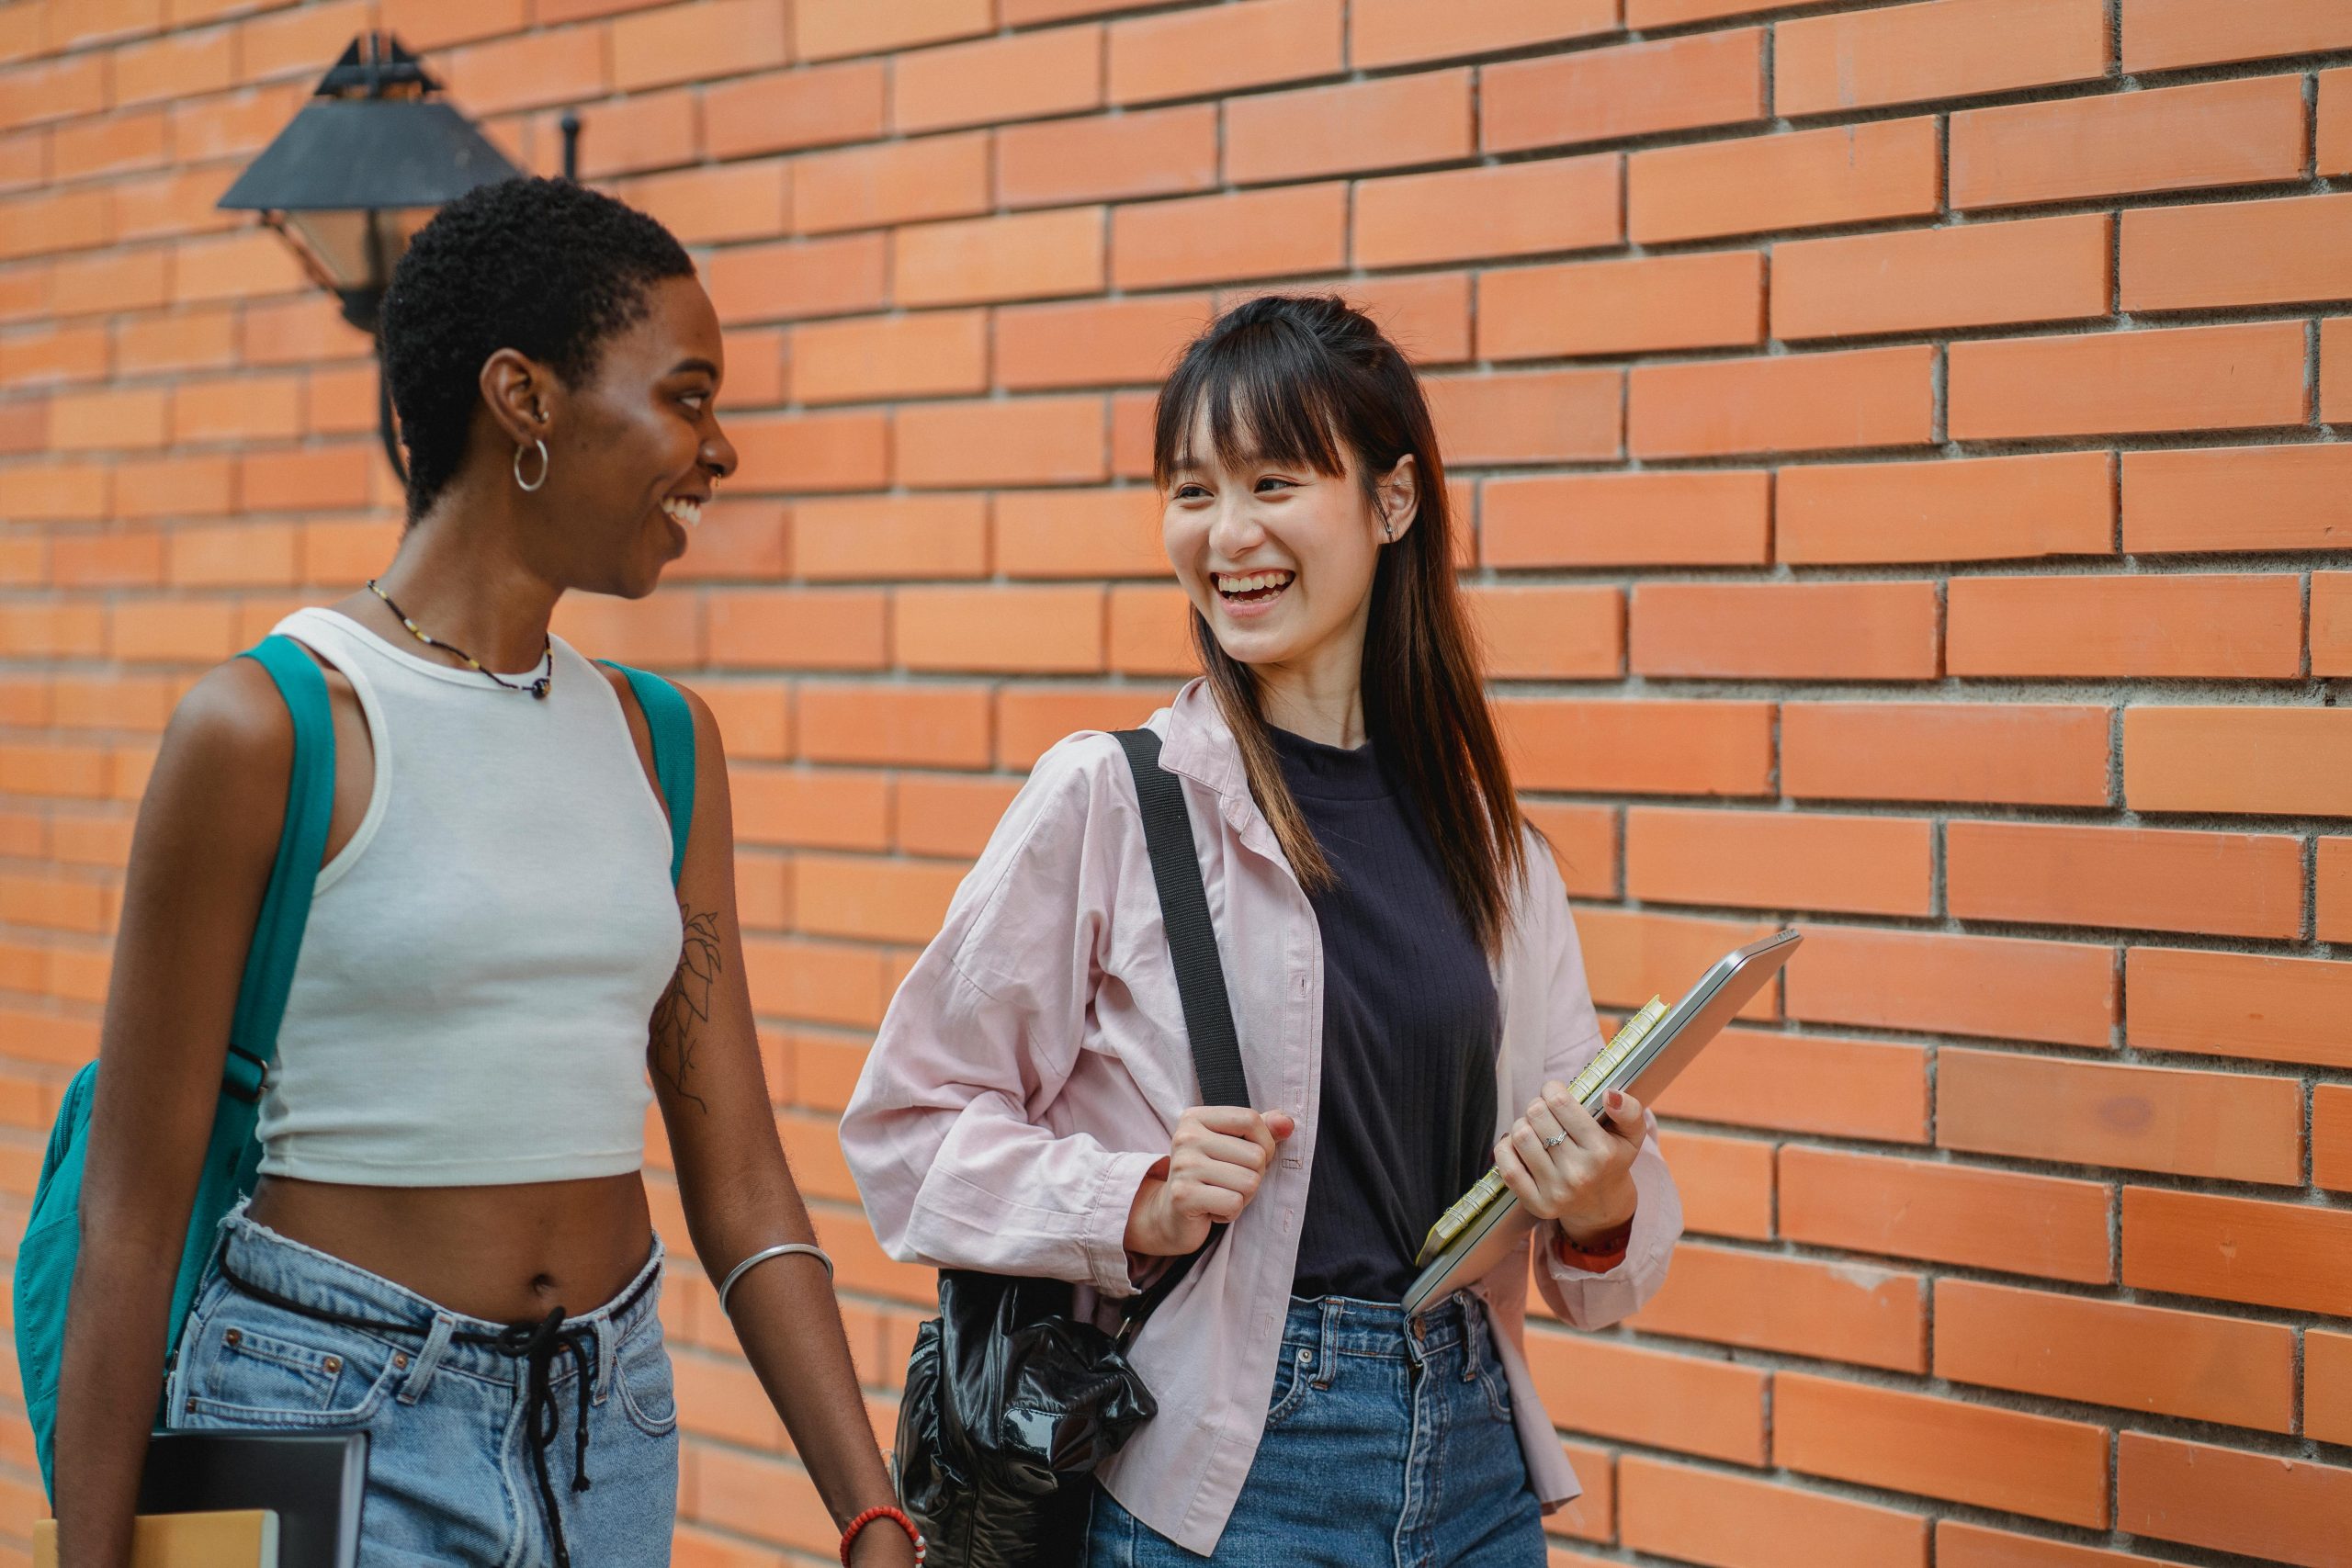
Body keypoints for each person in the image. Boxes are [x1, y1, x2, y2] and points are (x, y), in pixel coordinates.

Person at [52, 178, 919, 1568]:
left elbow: (744, 1181)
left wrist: (867, 1506)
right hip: (320, 1419)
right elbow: (129, 1212)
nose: (721, 452)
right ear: (525, 398)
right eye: (687, 398)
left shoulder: (664, 746)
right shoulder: (271, 726)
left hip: (607, 1432)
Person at [842, 294, 1682, 1566]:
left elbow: (1603, 1273)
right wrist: (1133, 1199)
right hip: (1231, 1477)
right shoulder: (1113, 798)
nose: (1228, 535)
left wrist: (1602, 1197)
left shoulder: (1498, 853)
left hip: (1473, 1461)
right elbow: (904, 1132)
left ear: (1392, 503)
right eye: (1193, 490)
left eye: (1274, 481)